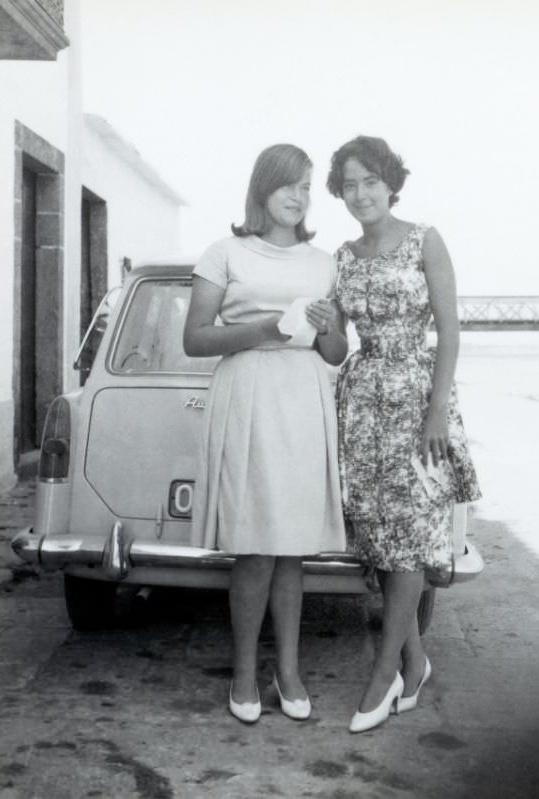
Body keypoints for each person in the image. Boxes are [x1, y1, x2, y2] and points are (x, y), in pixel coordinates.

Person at [184, 143, 347, 724]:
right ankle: (245, 673)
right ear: (262, 188)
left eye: (306, 187)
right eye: (289, 185)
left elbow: (335, 353)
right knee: (254, 547)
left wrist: (328, 329)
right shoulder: (225, 251)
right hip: (249, 394)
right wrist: (266, 330)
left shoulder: (325, 262)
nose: (299, 197)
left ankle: (290, 671)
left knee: (292, 549)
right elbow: (196, 338)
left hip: (303, 399)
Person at [326, 135, 481, 733]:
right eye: (349, 184)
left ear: (391, 183)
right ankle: (414, 664)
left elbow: (449, 330)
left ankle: (383, 672)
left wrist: (437, 410)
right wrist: (322, 329)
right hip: (362, 402)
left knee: (413, 535)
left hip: (418, 398)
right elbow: (338, 350)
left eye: (370, 181)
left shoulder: (424, 239)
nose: (360, 193)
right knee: (379, 537)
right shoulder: (340, 256)